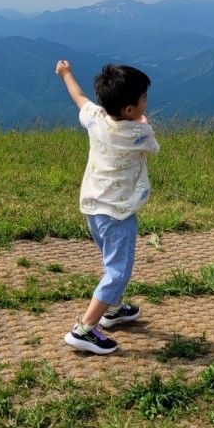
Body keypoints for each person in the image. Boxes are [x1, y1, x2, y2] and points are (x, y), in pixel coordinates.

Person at [55, 59, 159, 355]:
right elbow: (154, 149)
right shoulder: (139, 133)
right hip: (119, 214)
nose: (145, 103)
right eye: (143, 99)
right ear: (130, 109)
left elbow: (79, 98)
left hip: (92, 207)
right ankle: (85, 329)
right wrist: (143, 122)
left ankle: (113, 310)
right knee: (117, 272)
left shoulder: (96, 117)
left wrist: (67, 73)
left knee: (110, 260)